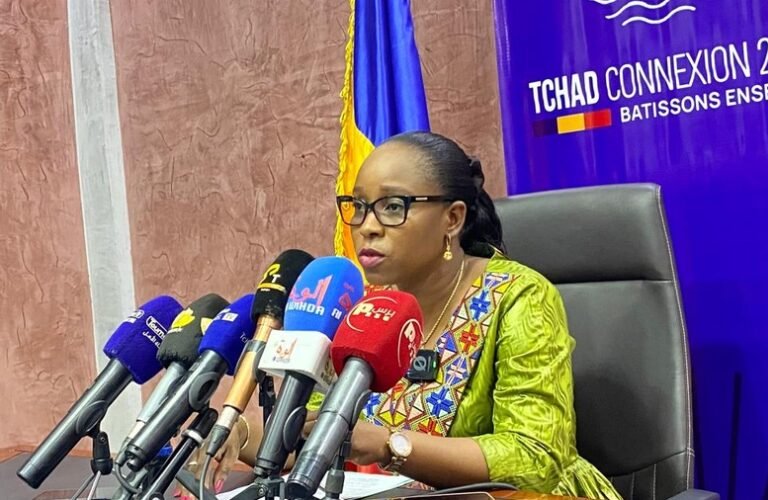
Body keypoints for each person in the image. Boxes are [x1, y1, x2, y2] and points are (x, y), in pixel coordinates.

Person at [182, 132, 621, 500]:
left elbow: (534, 457)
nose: (367, 226)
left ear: (452, 218)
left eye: (393, 206)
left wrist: (388, 445)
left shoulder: (520, 296)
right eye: (358, 206)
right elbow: (314, 434)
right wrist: (237, 432)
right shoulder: (360, 307)